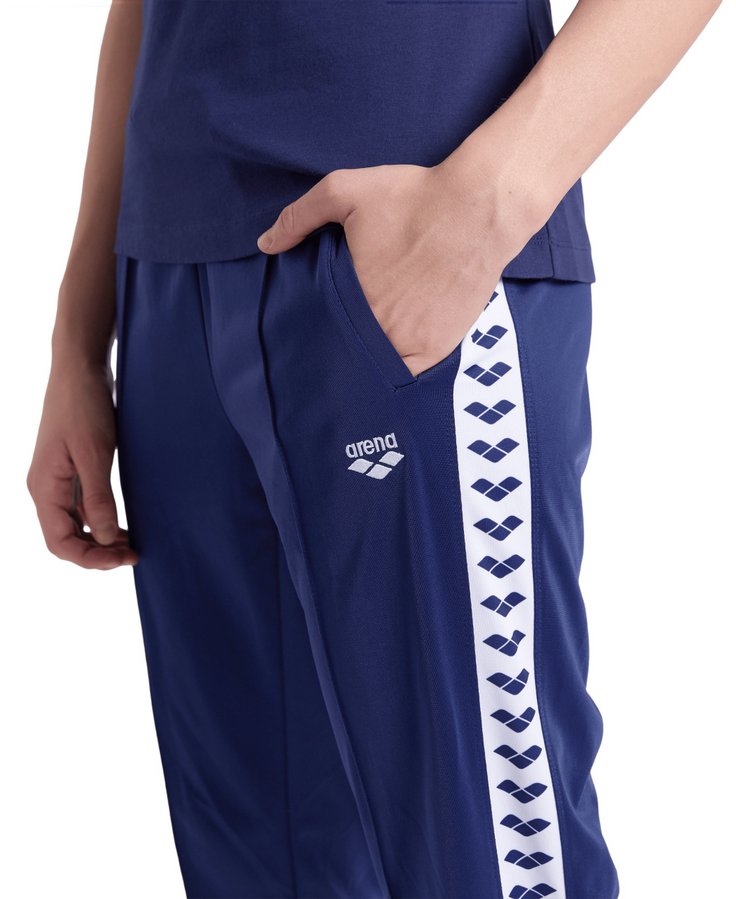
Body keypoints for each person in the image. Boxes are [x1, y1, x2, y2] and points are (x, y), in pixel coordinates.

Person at [26, 2, 721, 897]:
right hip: (171, 279)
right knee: (253, 869)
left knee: (487, 858)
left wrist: (488, 201)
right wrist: (80, 336)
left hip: (412, 265)